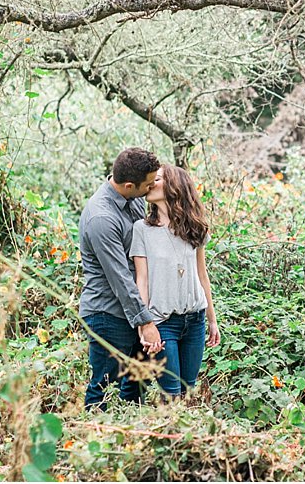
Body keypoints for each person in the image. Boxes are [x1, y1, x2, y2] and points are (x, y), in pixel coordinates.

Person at [78, 147, 165, 411]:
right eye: (148, 184)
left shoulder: (133, 198)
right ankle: (92, 441)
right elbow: (120, 278)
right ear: (129, 185)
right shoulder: (101, 218)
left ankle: (128, 437)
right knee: (103, 387)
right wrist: (145, 321)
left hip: (134, 309)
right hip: (107, 314)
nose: (152, 188)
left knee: (137, 382)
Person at [131, 165, 220, 398]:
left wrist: (212, 320)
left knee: (187, 390)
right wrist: (144, 325)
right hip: (162, 322)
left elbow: (202, 275)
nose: (150, 183)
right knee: (170, 394)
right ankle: (168, 433)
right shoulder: (141, 230)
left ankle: (186, 434)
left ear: (173, 186)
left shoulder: (195, 227)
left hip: (195, 320)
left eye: (157, 179)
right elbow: (142, 279)